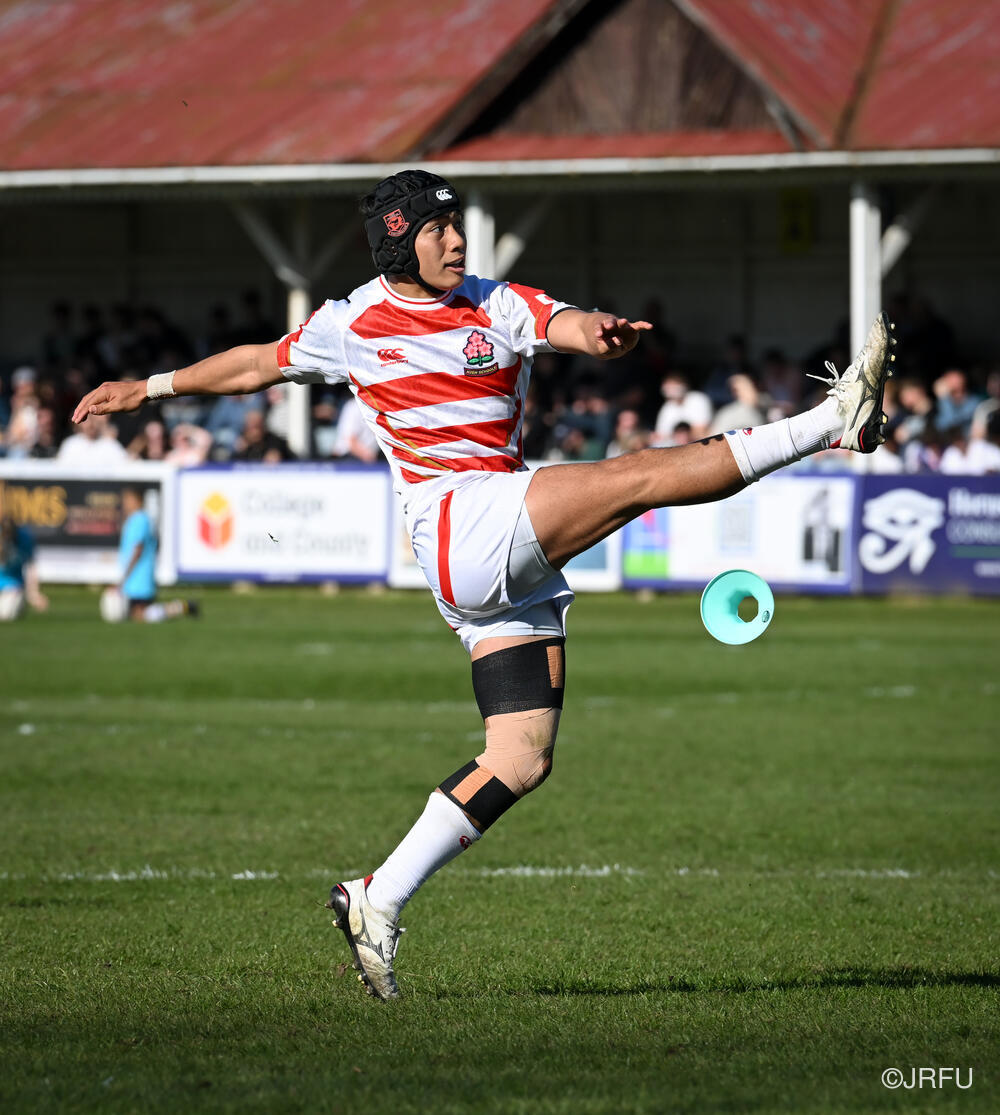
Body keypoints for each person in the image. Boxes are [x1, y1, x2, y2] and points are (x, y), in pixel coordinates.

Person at [72, 168, 896, 1002]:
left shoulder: (495, 302)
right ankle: (832, 422)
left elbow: (563, 323)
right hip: (458, 524)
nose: (457, 240)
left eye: (457, 224)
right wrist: (149, 388)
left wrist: (597, 331)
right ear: (398, 242)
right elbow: (257, 363)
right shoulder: (351, 323)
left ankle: (376, 896)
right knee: (639, 476)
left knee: (522, 756)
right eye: (437, 229)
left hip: (494, 539)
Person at [117, 486, 198, 622]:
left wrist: (126, 573)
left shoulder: (140, 520)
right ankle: (182, 607)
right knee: (139, 614)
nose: (125, 503)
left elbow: (138, 548)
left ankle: (182, 607)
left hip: (139, 577)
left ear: (138, 500)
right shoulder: (135, 520)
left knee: (140, 614)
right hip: (136, 578)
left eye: (128, 499)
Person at [0, 514, 49, 620]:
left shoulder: (25, 539)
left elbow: (30, 566)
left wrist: (33, 593)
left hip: (12, 585)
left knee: (6, 615)